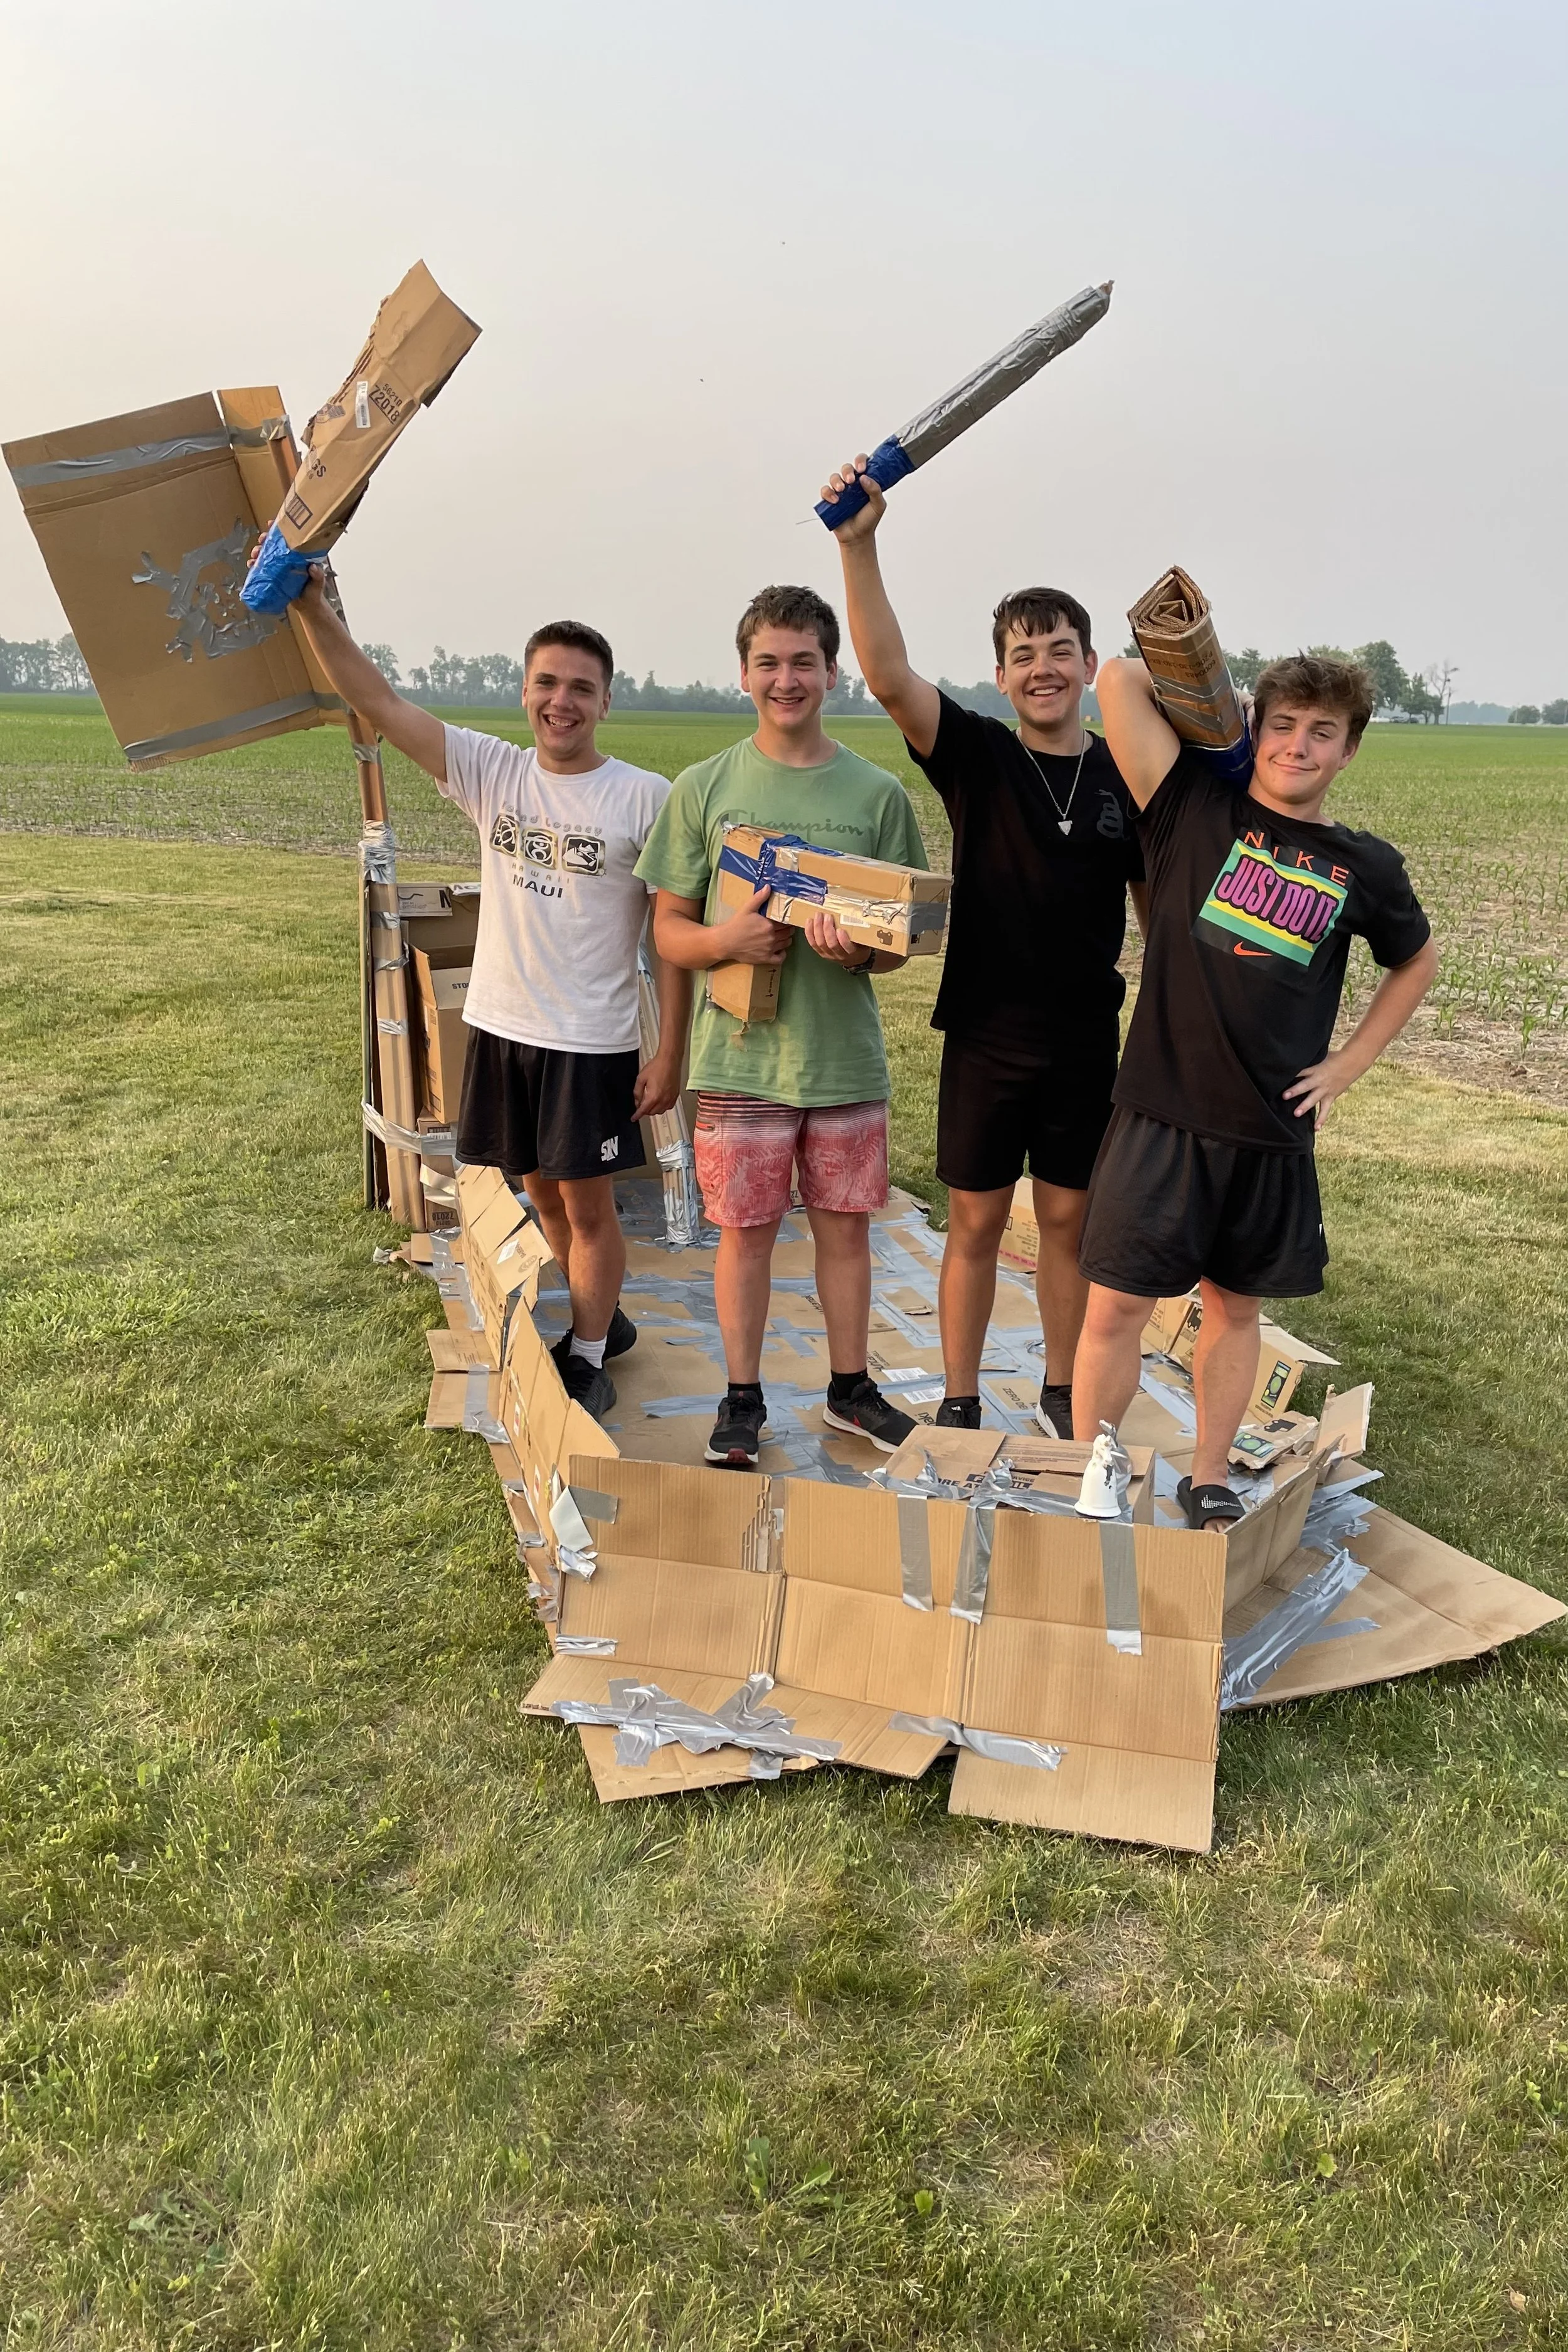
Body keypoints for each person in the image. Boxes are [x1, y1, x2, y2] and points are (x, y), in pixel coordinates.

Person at [291, 571, 690, 1423]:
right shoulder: (491, 771)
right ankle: (603, 1318)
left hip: (590, 1041)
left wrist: (672, 1052)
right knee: (532, 1183)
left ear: (607, 701)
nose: (562, 700)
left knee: (588, 1206)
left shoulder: (643, 797)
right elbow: (378, 699)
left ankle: (587, 1361)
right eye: (547, 682)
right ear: (525, 691)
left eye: (581, 687)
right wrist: (308, 606)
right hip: (502, 1028)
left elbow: (672, 935)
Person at [1073, 650, 1438, 1526]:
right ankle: (1089, 1476)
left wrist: (1347, 1064)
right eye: (1284, 725)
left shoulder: (1364, 867)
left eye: (1324, 733)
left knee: (1233, 1310)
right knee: (1118, 1305)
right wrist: (1224, 732)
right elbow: (1119, 678)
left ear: (1350, 751)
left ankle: (1208, 1477)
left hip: (1267, 1131)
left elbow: (1415, 961)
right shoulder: (1194, 806)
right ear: (1257, 727)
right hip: (1161, 1111)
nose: (1300, 746)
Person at [820, 455, 1147, 1436]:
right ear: (1001, 674)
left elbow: (1160, 901)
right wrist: (859, 541)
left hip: (1087, 1040)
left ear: (1091, 665)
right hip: (987, 1035)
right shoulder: (977, 757)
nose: (1043, 666)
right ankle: (959, 1398)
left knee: (1066, 1223)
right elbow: (883, 674)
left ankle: (1059, 1386)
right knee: (974, 1222)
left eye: (1060, 647)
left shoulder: (1127, 778)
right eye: (1023, 652)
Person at [637, 583, 926, 1468]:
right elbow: (668, 929)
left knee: (845, 1228)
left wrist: (858, 955)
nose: (786, 678)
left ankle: (849, 1389)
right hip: (742, 1059)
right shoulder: (706, 788)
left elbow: (899, 943)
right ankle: (742, 1396)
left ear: (831, 672)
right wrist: (727, 938)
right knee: (746, 1234)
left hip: (841, 1059)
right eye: (768, 662)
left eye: (803, 661)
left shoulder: (877, 795)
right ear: (743, 673)